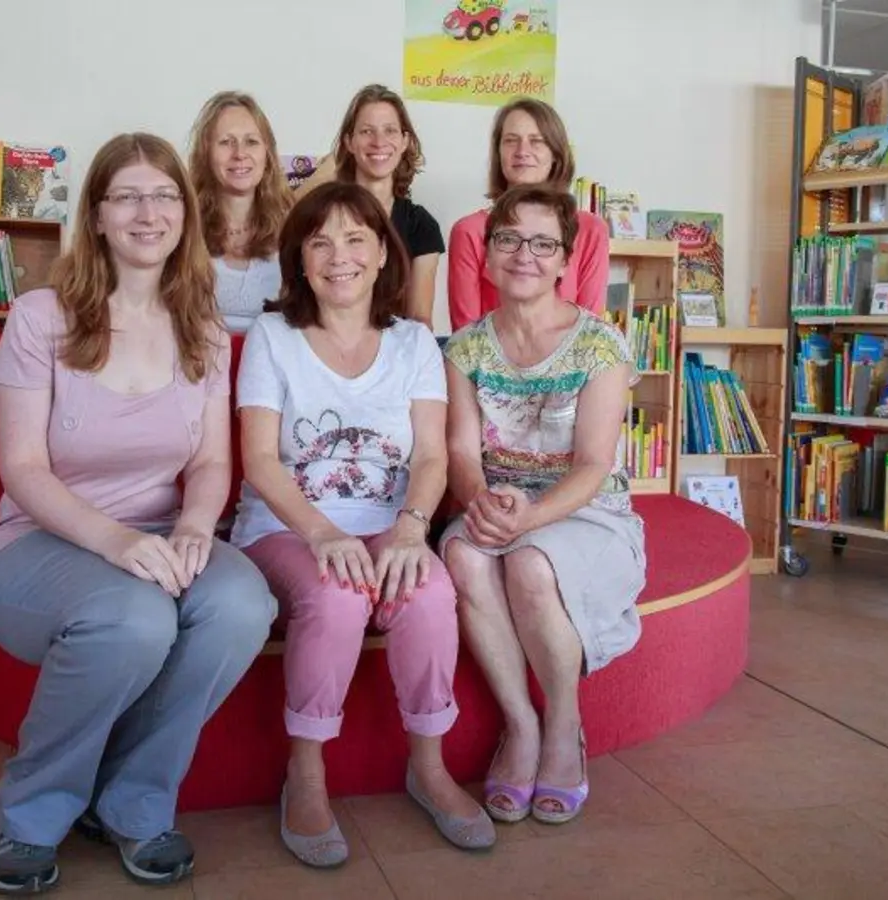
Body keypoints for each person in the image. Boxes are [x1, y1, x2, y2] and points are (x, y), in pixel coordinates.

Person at [0, 132, 277, 893]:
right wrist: (112, 541)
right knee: (135, 618)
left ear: (185, 214)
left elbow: (209, 462)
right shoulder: (41, 316)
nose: (150, 212)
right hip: (43, 542)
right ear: (97, 215)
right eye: (128, 196)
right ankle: (30, 815)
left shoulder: (202, 324)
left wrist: (198, 526)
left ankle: (134, 804)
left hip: (162, 539)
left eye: (166, 195)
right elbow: (22, 468)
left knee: (243, 603)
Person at [232, 181, 495, 866]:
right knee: (337, 592)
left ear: (383, 253)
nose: (338, 256)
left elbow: (434, 457)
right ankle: (306, 771)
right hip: (288, 528)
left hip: (389, 521)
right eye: (320, 241)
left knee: (430, 590)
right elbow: (260, 461)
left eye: (355, 239)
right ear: (299, 259)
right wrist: (322, 533)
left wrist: (412, 529)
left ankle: (428, 766)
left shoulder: (414, 344)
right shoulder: (272, 335)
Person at [439, 183, 647, 827]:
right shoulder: (466, 347)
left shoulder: (599, 345)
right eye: (508, 239)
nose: (523, 254)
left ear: (565, 261)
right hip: (497, 501)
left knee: (529, 562)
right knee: (464, 558)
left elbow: (592, 465)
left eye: (542, 243)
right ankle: (520, 724)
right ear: (488, 256)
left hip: (587, 512)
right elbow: (461, 453)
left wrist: (526, 518)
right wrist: (481, 501)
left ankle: (564, 726)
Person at [446, 97, 612, 331]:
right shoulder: (469, 231)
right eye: (511, 141)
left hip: (572, 365)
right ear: (498, 153)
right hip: (488, 364)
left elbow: (591, 332)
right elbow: (465, 338)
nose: (522, 151)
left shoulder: (591, 230)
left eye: (536, 141)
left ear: (556, 153)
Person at [328, 84, 444, 329]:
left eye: (390, 130)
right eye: (367, 131)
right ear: (349, 141)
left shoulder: (421, 225)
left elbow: (419, 322)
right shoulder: (323, 214)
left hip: (393, 355)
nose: (379, 142)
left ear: (405, 141)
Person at [188, 90, 293, 335]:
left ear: (267, 152)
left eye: (251, 141)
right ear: (206, 153)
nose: (239, 154)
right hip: (201, 366)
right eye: (226, 142)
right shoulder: (182, 227)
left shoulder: (295, 229)